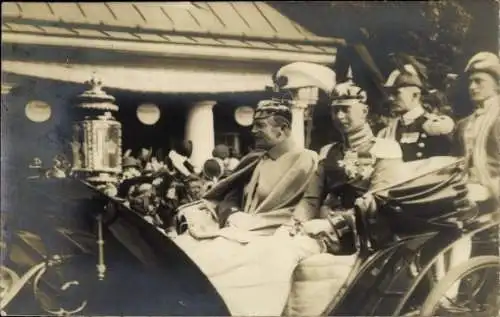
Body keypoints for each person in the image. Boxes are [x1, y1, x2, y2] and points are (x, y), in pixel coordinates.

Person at [173, 97, 319, 316]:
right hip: (239, 226)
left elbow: (309, 203)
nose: (253, 131)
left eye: (260, 126)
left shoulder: (307, 160)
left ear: (283, 129)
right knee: (185, 248)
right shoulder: (255, 160)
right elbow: (229, 196)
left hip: (274, 231)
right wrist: (232, 214)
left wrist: (285, 228)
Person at [378, 56, 455, 162]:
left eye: (396, 93)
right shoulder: (389, 130)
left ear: (415, 95)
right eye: (390, 94)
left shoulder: (434, 127)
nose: (391, 98)